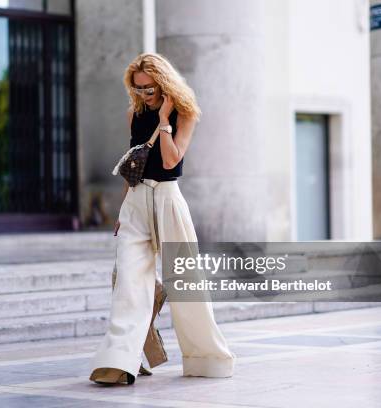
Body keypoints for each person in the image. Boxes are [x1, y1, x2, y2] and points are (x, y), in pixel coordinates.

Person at [88, 53, 236, 385]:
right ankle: (118, 362)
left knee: (186, 283)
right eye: (138, 88)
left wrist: (165, 119)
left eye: (149, 87)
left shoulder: (185, 114)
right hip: (137, 202)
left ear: (164, 83)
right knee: (127, 282)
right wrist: (123, 209)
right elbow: (133, 167)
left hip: (169, 199)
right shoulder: (134, 115)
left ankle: (206, 358)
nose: (143, 94)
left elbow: (170, 162)